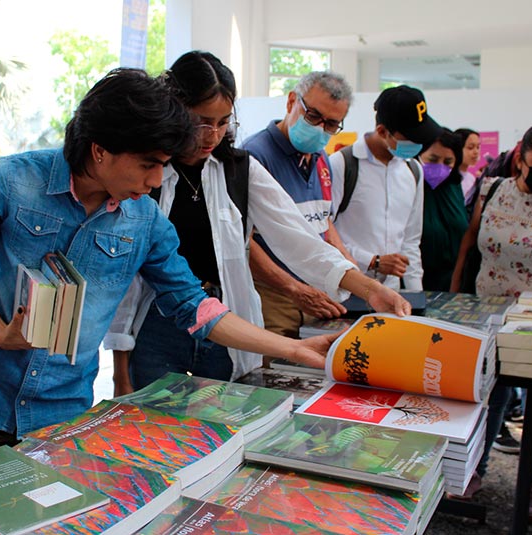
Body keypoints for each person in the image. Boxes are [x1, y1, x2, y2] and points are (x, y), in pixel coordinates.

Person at [0, 68, 398, 458]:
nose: (155, 180)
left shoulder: (143, 219)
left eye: (163, 164)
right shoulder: (9, 181)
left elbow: (196, 307)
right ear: (99, 149)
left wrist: (294, 350)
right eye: (148, 164)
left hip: (64, 409)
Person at [103, 52, 410, 394]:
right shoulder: (146, 175)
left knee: (223, 427)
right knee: (156, 428)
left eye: (222, 122)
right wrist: (120, 371)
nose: (212, 135)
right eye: (202, 121)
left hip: (226, 320)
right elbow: (124, 282)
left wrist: (369, 288)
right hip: (156, 326)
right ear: (174, 109)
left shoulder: (238, 169)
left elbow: (299, 238)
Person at [451, 122, 532, 522]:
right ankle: (472, 470)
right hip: (487, 312)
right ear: (521, 159)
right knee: (485, 396)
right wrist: (455, 296)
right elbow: (469, 247)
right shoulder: (492, 189)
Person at [242, 71, 357, 346]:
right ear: (292, 101)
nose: (320, 129)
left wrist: (345, 261)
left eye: (331, 124)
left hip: (318, 293)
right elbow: (244, 240)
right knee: (276, 376)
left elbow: (323, 219)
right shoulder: (255, 156)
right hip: (274, 295)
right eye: (314, 117)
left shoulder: (320, 159)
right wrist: (293, 289)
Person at [329, 85, 442, 291]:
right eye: (411, 138)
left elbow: (411, 239)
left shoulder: (413, 169)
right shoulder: (343, 165)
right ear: (382, 131)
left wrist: (416, 294)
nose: (418, 144)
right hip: (347, 289)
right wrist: (372, 261)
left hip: (392, 292)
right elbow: (325, 233)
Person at [419, 128, 468, 291]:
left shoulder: (454, 187)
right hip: (417, 281)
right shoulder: (410, 187)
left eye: (448, 162)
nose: (440, 167)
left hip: (452, 283)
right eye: (433, 159)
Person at [455, 127, 481, 208]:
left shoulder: (471, 178)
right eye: (470, 147)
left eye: (478, 147)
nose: (476, 152)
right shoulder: (450, 179)